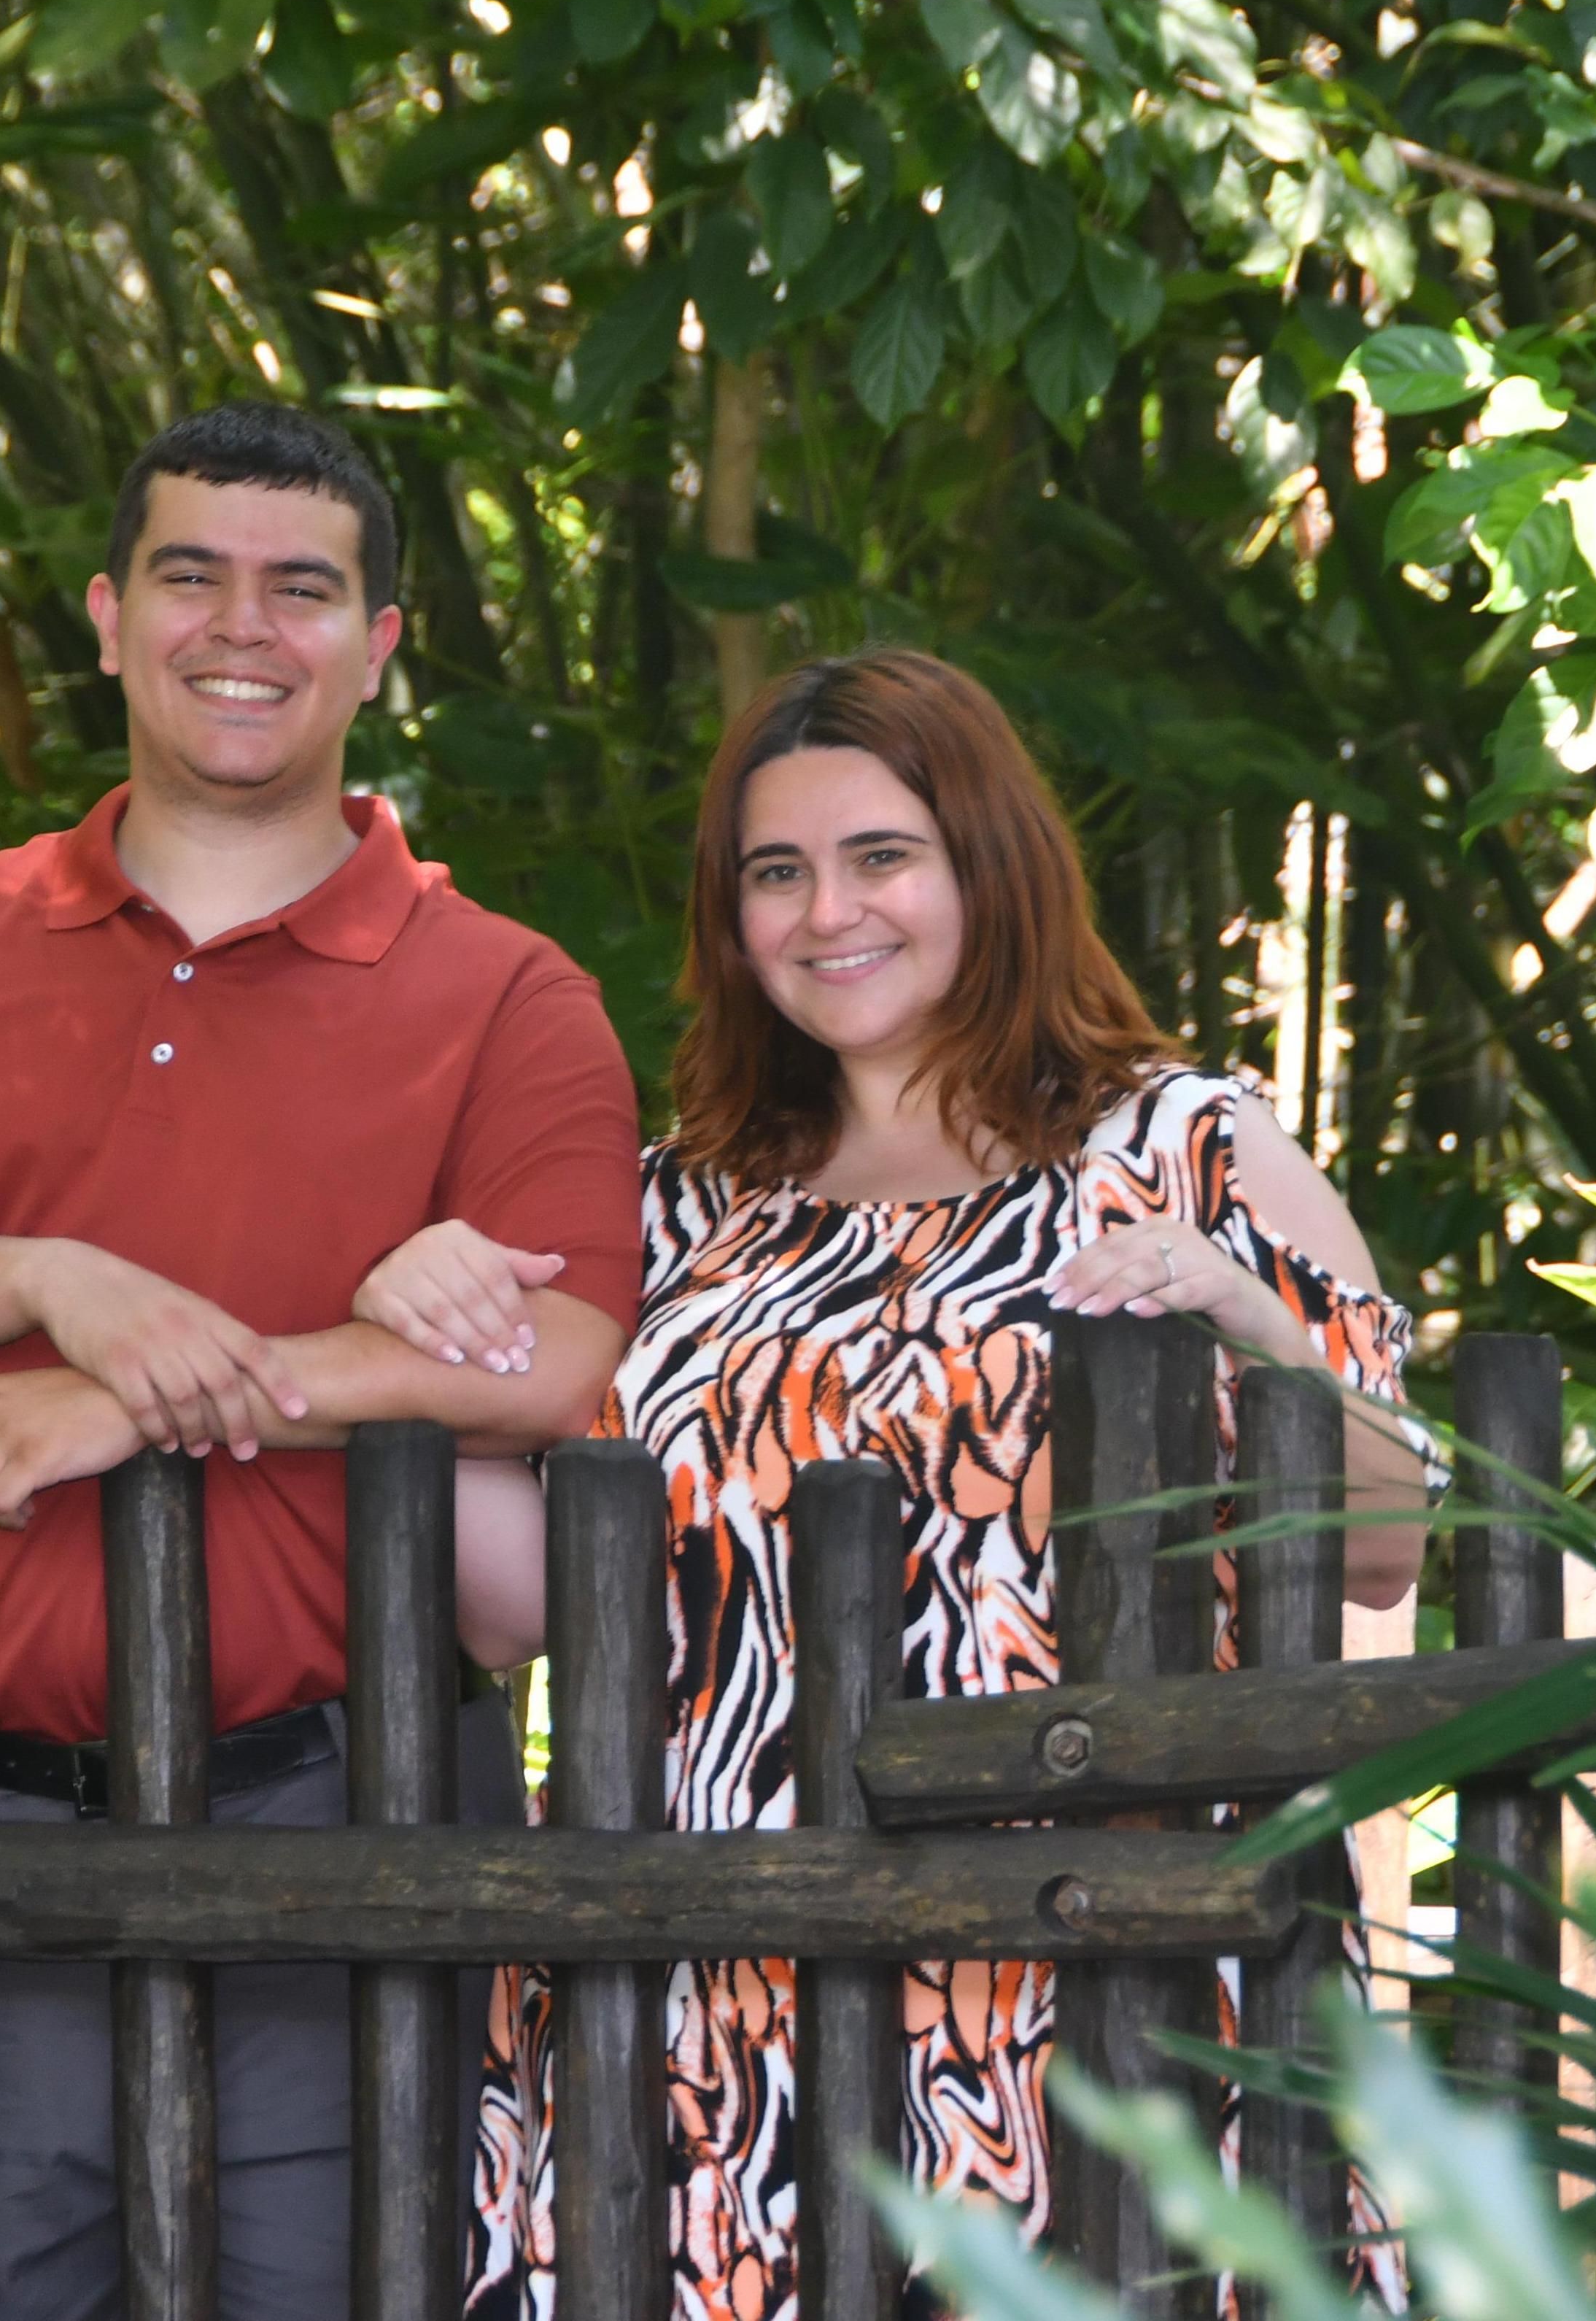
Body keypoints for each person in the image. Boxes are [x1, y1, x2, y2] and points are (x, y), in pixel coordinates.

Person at [0, 401, 642, 2321]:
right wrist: (50, 1275)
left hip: (346, 1833)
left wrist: (139, 1390)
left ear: (377, 648)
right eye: (193, 576)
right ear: (112, 619)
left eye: (305, 588)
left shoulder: (506, 996)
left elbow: (550, 1361)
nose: (243, 627)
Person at [425, 647, 1430, 2319]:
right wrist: (432, 1355)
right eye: (774, 871)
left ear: (987, 862)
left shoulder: (1185, 1144)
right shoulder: (675, 1208)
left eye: (882, 854)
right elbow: (533, 1609)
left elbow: (1392, 1548)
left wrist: (1250, 1318)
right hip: (703, 2000)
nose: (829, 911)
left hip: (1088, 1980)